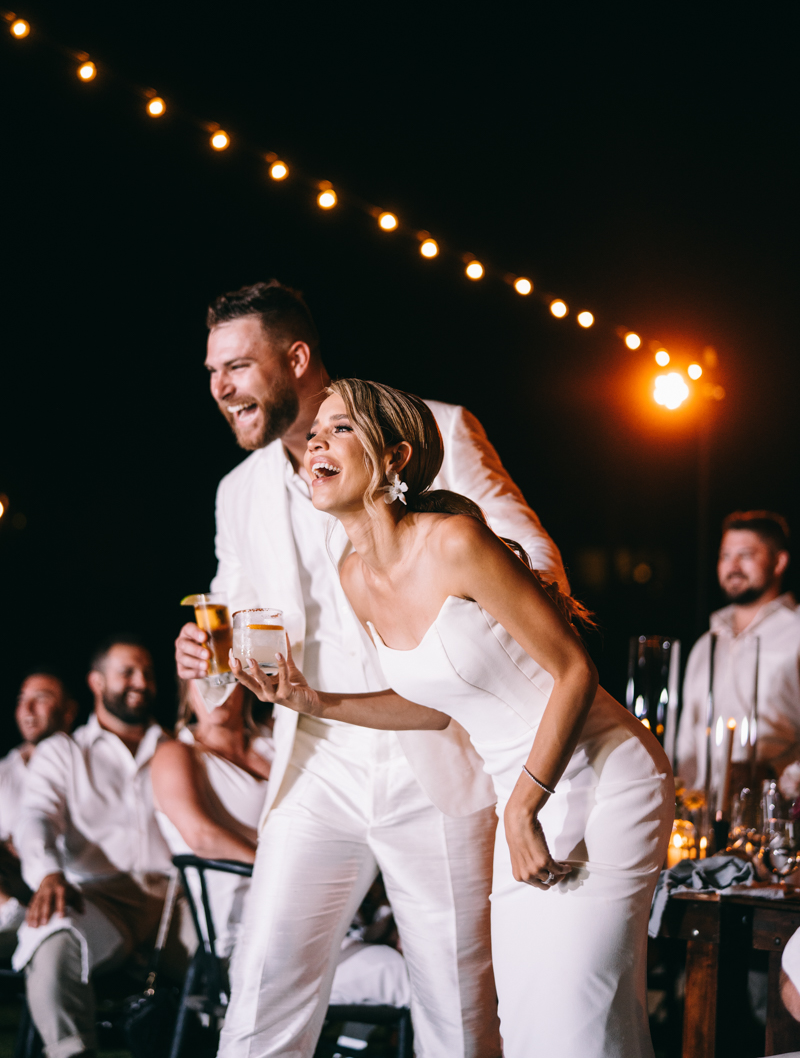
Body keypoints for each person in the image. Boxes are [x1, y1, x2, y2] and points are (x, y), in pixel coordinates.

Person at [175, 279, 567, 1058]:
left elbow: (540, 565)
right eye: (212, 372)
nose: (220, 388)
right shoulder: (238, 493)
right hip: (315, 761)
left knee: (457, 1015)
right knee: (258, 998)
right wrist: (205, 660)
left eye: (238, 367)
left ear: (297, 357)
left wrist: (451, 590)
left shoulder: (438, 432)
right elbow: (229, 621)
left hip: (434, 757)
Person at [232, 379, 673, 1058]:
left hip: (598, 777)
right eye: (315, 430)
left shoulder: (454, 542)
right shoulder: (356, 577)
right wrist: (313, 702)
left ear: (395, 456)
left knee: (576, 1026)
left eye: (340, 428)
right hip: (519, 796)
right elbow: (435, 711)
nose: (317, 439)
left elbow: (575, 669)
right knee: (528, 1031)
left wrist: (525, 807)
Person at [152, 679, 410, 1007]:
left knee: (432, 950)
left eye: (225, 679)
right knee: (403, 976)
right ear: (186, 689)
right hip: (255, 936)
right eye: (201, 679)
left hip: (333, 914)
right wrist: (292, 870)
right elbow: (202, 837)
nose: (213, 689)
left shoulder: (275, 743)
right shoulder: (177, 753)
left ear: (244, 683)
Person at [13, 637, 188, 1058]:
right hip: (98, 899)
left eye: (147, 672)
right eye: (127, 672)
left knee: (245, 952)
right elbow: (35, 816)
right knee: (51, 945)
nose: (141, 682)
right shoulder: (64, 751)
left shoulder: (179, 749)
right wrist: (48, 873)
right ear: (96, 681)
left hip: (177, 904)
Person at [676, 511, 800, 792]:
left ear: (779, 561)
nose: (732, 566)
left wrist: (772, 772)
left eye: (745, 555)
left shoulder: (796, 634)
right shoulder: (706, 644)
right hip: (701, 817)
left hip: (776, 817)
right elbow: (686, 741)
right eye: (725, 556)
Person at [0, 672, 77, 957]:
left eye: (41, 699)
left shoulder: (85, 761)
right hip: (14, 884)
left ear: (69, 710)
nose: (27, 710)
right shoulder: (4, 771)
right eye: (22, 700)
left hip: (70, 881)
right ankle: (11, 912)